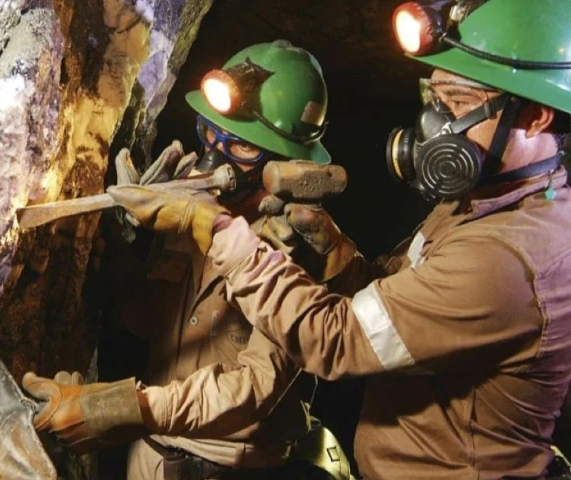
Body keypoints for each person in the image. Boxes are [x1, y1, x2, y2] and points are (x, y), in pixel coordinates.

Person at [105, 1, 571, 479]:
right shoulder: (477, 204)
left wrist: (219, 231)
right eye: (434, 96)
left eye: (458, 103)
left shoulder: (510, 259)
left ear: (535, 116)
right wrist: (339, 256)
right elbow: (398, 307)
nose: (435, 123)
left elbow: (337, 340)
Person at [22, 40, 354, 480]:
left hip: (226, 467)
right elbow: (149, 319)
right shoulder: (190, 200)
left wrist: (116, 408)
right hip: (149, 453)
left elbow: (255, 389)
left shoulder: (301, 244)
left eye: (244, 149)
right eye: (211, 133)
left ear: (286, 160)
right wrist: (123, 244)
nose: (216, 154)